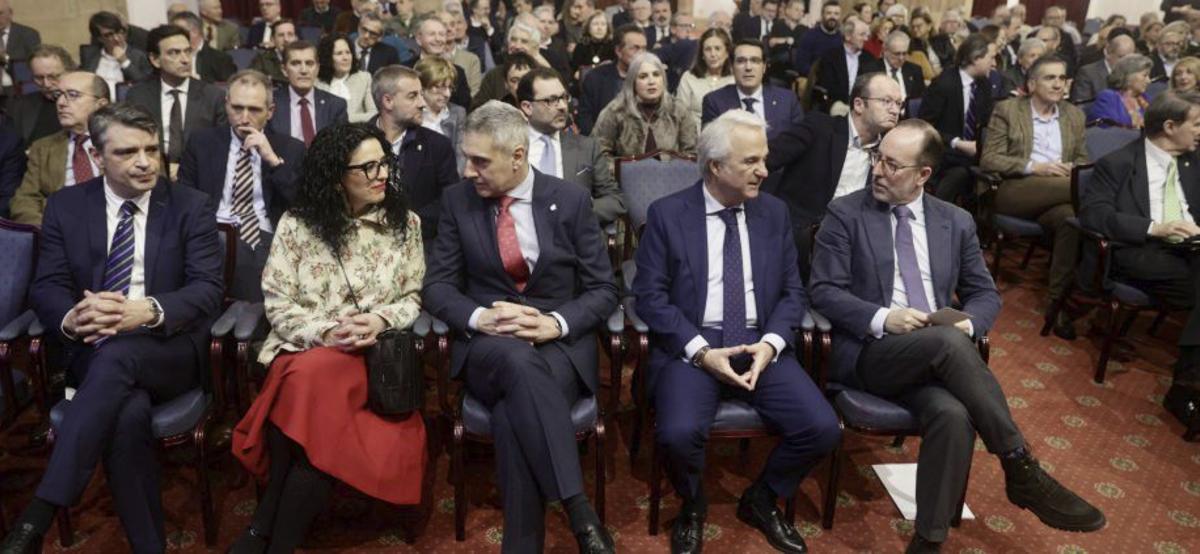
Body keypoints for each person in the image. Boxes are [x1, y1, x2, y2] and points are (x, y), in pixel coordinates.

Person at [809, 117, 1107, 554]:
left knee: (952, 413)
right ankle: (1019, 464)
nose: (878, 170)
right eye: (878, 159)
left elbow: (984, 294)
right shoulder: (845, 213)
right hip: (870, 353)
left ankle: (929, 539)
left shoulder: (957, 221)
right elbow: (823, 290)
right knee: (949, 345)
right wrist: (882, 317)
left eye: (892, 165)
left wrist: (967, 324)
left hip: (936, 356)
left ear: (923, 174)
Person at [0, 103, 223, 554]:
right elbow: (47, 286)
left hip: (168, 351)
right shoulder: (67, 205)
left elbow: (207, 289)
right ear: (98, 157)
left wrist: (149, 310)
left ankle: (38, 514)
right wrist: (72, 316)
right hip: (95, 350)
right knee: (126, 415)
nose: (144, 162)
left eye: (151, 149)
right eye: (127, 152)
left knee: (122, 355)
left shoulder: (189, 205)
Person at [632, 110, 838, 554]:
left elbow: (791, 291)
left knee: (822, 428)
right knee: (678, 433)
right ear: (716, 167)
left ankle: (761, 498)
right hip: (694, 342)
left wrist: (771, 344)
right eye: (751, 161)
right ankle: (692, 504)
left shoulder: (774, 212)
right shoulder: (668, 215)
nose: (765, 170)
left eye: (763, 159)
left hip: (759, 342)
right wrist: (701, 351)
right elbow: (649, 296)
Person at [422, 101, 617, 554]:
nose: (468, 171)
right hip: (489, 344)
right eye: (465, 158)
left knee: (515, 412)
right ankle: (578, 509)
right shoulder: (458, 201)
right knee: (515, 359)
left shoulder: (569, 200)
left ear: (517, 155)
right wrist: (480, 317)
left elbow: (604, 290)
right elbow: (437, 287)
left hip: (558, 346)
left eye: (480, 161)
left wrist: (555, 322)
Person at [226, 122, 425, 554]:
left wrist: (378, 320)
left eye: (384, 163)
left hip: (369, 359)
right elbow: (277, 303)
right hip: (306, 348)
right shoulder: (297, 225)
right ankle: (274, 537)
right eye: (367, 167)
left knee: (304, 395)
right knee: (307, 381)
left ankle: (264, 530)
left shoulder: (404, 223)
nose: (381, 175)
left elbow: (412, 298)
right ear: (336, 177)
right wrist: (327, 332)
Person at [1080, 90, 1200, 435]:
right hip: (1142, 248)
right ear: (1169, 126)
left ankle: (1187, 386)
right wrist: (1156, 227)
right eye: (1195, 124)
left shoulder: (1193, 161)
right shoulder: (1118, 163)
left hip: (1189, 250)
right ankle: (1185, 386)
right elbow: (1094, 215)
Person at [981, 55, 1088, 340]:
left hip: (1059, 193)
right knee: (1086, 191)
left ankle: (1058, 302)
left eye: (1062, 78)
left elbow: (1082, 159)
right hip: (1016, 189)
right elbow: (989, 159)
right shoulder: (1008, 110)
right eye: (1050, 78)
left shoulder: (1074, 115)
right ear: (1031, 84)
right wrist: (1035, 167)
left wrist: (1072, 169)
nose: (1058, 84)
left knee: (1071, 220)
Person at [177, 69, 306, 301]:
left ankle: (242, 316)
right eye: (237, 107)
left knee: (253, 256)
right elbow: (185, 199)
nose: (244, 117)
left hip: (266, 238)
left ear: (270, 112)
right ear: (226, 104)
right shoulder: (202, 143)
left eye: (254, 109)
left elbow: (302, 205)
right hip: (213, 234)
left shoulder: (290, 148)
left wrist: (273, 160)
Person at [766, 72, 901, 278]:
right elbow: (765, 161)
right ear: (858, 104)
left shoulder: (890, 152)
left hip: (853, 240)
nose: (895, 110)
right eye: (886, 101)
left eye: (899, 104)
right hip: (800, 232)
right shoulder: (819, 127)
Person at [518, 67, 624, 226]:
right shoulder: (510, 147)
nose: (562, 106)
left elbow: (615, 201)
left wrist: (578, 212)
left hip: (575, 240)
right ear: (527, 107)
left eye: (564, 97)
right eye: (551, 100)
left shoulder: (587, 147)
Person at [9, 72, 111, 225]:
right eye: (59, 95)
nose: (61, 103)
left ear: (101, 105)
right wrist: (49, 230)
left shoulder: (125, 143)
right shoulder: (43, 148)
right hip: (58, 232)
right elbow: (24, 200)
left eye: (73, 95)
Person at [371, 65, 457, 242]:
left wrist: (406, 223)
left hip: (421, 243)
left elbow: (449, 200)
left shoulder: (438, 145)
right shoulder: (355, 144)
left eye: (421, 95)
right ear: (388, 101)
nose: (422, 103)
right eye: (413, 96)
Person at [125, 25, 227, 164]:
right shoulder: (138, 96)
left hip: (198, 173)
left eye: (188, 51)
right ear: (155, 59)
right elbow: (133, 142)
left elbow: (221, 147)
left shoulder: (213, 96)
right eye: (174, 53)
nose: (185, 60)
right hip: (154, 172)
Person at [918, 33, 996, 206]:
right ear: (976, 58)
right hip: (943, 152)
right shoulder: (944, 83)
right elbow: (924, 126)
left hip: (977, 154)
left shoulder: (984, 85)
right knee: (962, 173)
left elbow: (987, 122)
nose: (994, 63)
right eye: (991, 58)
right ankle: (936, 211)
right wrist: (956, 142)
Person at [593, 52, 697, 164]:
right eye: (643, 76)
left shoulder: (679, 110)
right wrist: (620, 172)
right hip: (627, 179)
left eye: (656, 74)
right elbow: (598, 152)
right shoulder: (616, 111)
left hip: (671, 178)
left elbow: (691, 153)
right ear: (633, 82)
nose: (651, 82)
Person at [702, 39, 803, 140]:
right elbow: (711, 148)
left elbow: (798, 143)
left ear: (764, 67)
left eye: (755, 61)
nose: (748, 67)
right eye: (741, 61)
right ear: (732, 67)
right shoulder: (714, 102)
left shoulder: (787, 100)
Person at [268, 41, 349, 146]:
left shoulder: (335, 105)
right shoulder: (270, 103)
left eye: (309, 63)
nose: (304, 70)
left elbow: (341, 148)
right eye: (296, 63)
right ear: (284, 70)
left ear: (317, 68)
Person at [577, 23, 647, 134]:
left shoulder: (652, 78)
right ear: (618, 51)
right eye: (635, 48)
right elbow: (585, 118)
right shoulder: (596, 78)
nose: (641, 54)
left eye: (644, 48)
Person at [7, 45, 73, 148]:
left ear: (70, 72)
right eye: (39, 78)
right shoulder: (19, 106)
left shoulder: (87, 105)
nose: (46, 84)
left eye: (53, 76)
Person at [80, 11, 154, 99]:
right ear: (99, 38)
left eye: (119, 32)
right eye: (109, 35)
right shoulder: (90, 56)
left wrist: (125, 62)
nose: (116, 38)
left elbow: (146, 86)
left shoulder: (138, 56)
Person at [815, 17, 883, 111]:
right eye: (862, 35)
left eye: (866, 35)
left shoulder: (869, 58)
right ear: (848, 36)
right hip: (836, 104)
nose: (866, 39)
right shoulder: (831, 57)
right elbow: (827, 86)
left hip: (862, 106)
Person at [407, 15, 471, 108]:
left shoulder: (457, 72)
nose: (437, 39)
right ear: (419, 39)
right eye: (432, 34)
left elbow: (464, 106)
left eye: (441, 34)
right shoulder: (405, 70)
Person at [676, 28, 734, 131]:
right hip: (696, 139)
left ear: (727, 53)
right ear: (702, 55)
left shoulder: (735, 79)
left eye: (717, 48)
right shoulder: (689, 78)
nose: (713, 54)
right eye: (708, 49)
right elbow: (680, 116)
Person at [416, 55, 466, 172]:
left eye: (450, 87)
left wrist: (451, 187)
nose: (447, 94)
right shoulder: (411, 114)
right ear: (422, 87)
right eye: (440, 87)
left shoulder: (458, 113)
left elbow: (461, 156)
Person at [315, 34, 377, 123]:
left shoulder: (364, 78)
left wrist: (343, 118)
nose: (346, 58)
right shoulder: (316, 82)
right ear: (328, 57)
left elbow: (373, 114)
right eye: (339, 53)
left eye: (348, 52)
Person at [1088, 54, 1154, 128]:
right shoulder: (1108, 98)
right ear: (1129, 76)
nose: (1149, 81)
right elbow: (1108, 130)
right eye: (1145, 75)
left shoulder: (1146, 99)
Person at [171, 11, 237, 83]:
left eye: (178, 32)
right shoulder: (170, 57)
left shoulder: (220, 59)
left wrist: (199, 82)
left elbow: (227, 88)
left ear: (194, 32)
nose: (173, 36)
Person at [1074, 34, 1138, 104]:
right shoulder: (1088, 73)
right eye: (1121, 57)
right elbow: (1082, 107)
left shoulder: (1135, 74)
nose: (1126, 63)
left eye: (1130, 58)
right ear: (1108, 53)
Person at [792, 0, 841, 76]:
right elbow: (801, 65)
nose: (832, 16)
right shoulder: (810, 35)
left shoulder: (842, 38)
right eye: (829, 13)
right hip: (813, 80)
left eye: (836, 14)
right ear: (822, 15)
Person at [880, 31, 925, 102]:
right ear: (885, 51)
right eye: (897, 54)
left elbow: (919, 100)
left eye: (904, 54)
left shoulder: (915, 70)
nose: (901, 58)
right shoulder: (871, 70)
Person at [250, 19, 298, 84]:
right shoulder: (261, 59)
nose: (286, 39)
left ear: (296, 38)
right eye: (281, 35)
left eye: (290, 34)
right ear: (273, 39)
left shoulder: (305, 58)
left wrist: (272, 78)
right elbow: (251, 81)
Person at [0, 0, 41, 68]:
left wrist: (5, 58)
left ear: (10, 13)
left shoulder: (28, 34)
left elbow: (36, 61)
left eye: (0, 13)